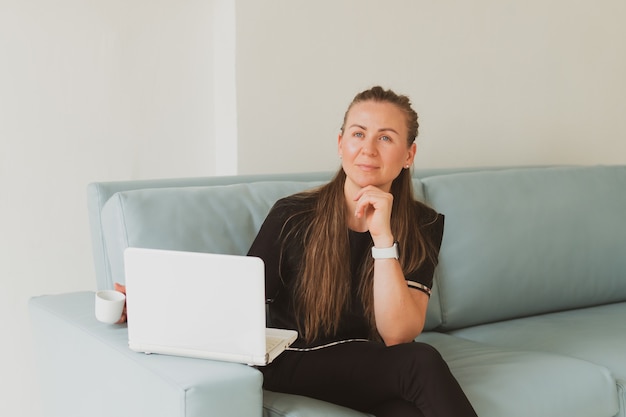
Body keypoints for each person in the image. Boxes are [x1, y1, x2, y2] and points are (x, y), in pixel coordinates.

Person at [247, 86, 478, 417]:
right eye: (358, 134)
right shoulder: (292, 214)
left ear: (409, 155)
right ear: (341, 144)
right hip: (298, 358)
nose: (368, 150)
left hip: (375, 366)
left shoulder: (422, 223)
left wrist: (383, 239)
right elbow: (241, 309)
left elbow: (398, 334)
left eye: (385, 138)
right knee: (420, 362)